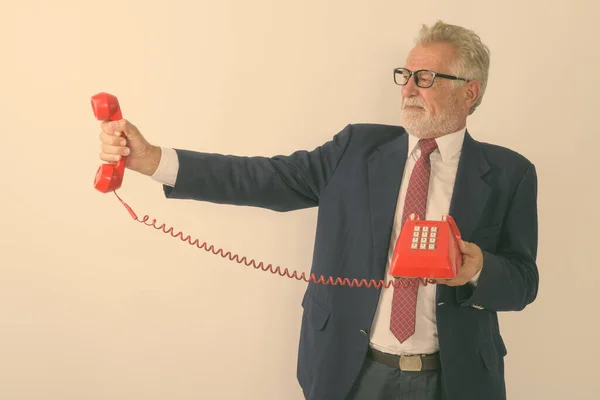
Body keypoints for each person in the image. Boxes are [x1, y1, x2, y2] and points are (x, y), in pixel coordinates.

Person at [96, 20, 538, 400]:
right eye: (405, 74)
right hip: (351, 370)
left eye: (426, 78)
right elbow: (264, 178)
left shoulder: (509, 173)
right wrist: (153, 159)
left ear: (470, 92)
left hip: (453, 380)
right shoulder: (355, 148)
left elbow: (523, 281)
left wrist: (479, 269)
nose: (407, 89)